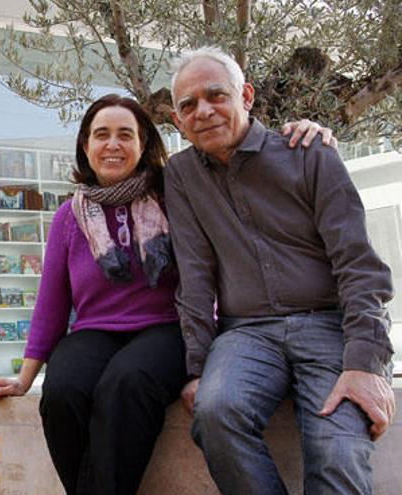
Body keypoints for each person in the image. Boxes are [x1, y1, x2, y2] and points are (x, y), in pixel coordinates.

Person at [0, 93, 333, 494]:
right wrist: (25, 378)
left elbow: (231, 156)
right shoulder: (68, 216)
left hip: (166, 329)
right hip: (94, 331)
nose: (113, 145)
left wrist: (301, 133)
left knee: (126, 383)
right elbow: (52, 301)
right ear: (85, 145)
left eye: (125, 135)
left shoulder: (176, 194)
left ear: (144, 144)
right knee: (63, 392)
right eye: (101, 135)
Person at [165, 46, 395, 495]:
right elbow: (193, 276)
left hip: (329, 326)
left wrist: (366, 361)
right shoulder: (181, 175)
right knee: (215, 414)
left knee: (338, 451)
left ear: (246, 96)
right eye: (188, 105)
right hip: (246, 334)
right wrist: (197, 369)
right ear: (177, 121)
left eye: (217, 95)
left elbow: (358, 264)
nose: (204, 111)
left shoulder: (308, 153)